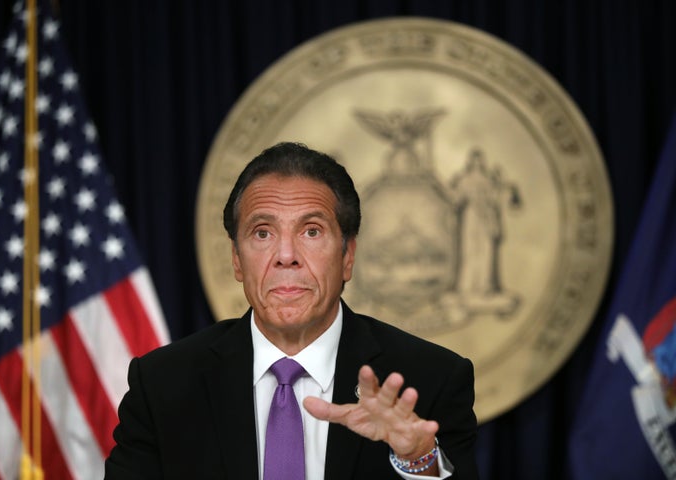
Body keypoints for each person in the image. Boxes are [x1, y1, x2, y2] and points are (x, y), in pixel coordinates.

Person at [105, 142, 478, 479]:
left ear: (348, 256)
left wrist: (419, 458)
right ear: (237, 259)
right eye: (263, 233)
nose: (286, 256)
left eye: (311, 231)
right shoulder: (162, 385)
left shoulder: (430, 380)